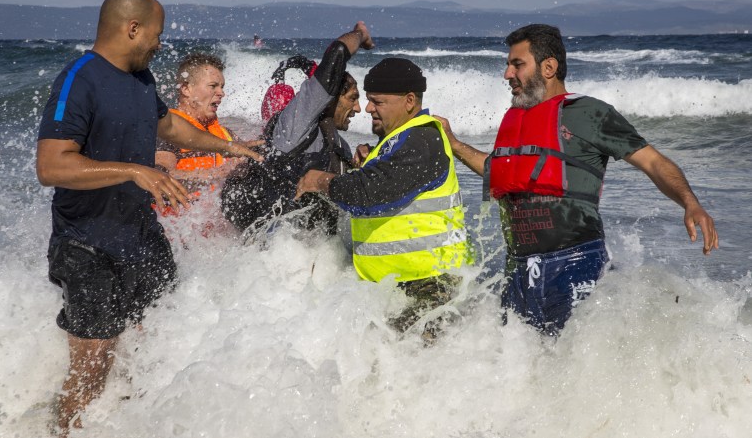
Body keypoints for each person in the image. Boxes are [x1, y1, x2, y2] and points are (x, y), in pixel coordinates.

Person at [36, 0, 261, 436]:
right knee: (93, 362)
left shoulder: (140, 79)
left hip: (140, 235)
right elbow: (51, 164)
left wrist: (228, 145)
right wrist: (136, 171)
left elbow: (170, 126)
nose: (160, 43)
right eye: (156, 34)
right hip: (87, 242)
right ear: (132, 28)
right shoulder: (79, 78)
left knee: (154, 341)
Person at [436, 23, 719, 336]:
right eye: (507, 65)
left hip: (574, 264)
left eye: (517, 64)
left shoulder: (588, 113)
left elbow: (653, 162)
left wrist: (690, 202)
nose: (507, 74)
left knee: (573, 359)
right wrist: (454, 143)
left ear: (549, 67)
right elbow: (501, 173)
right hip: (518, 269)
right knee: (517, 366)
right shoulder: (515, 120)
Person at [296, 58, 472, 342]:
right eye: (368, 100)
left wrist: (319, 180)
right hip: (396, 287)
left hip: (429, 286)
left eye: (377, 101)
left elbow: (366, 193)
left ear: (409, 101)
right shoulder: (396, 142)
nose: (368, 109)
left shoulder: (423, 139)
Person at [221, 24, 370, 234]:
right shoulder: (294, 127)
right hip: (270, 243)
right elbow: (336, 54)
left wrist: (359, 163)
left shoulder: (339, 145)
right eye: (353, 98)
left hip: (307, 246)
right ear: (328, 99)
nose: (358, 108)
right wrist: (360, 34)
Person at [155, 52, 244, 195]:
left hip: (215, 213)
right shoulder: (167, 131)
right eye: (213, 86)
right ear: (186, 89)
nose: (221, 93)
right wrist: (220, 172)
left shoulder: (226, 133)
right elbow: (160, 177)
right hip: (182, 215)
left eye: (222, 87)